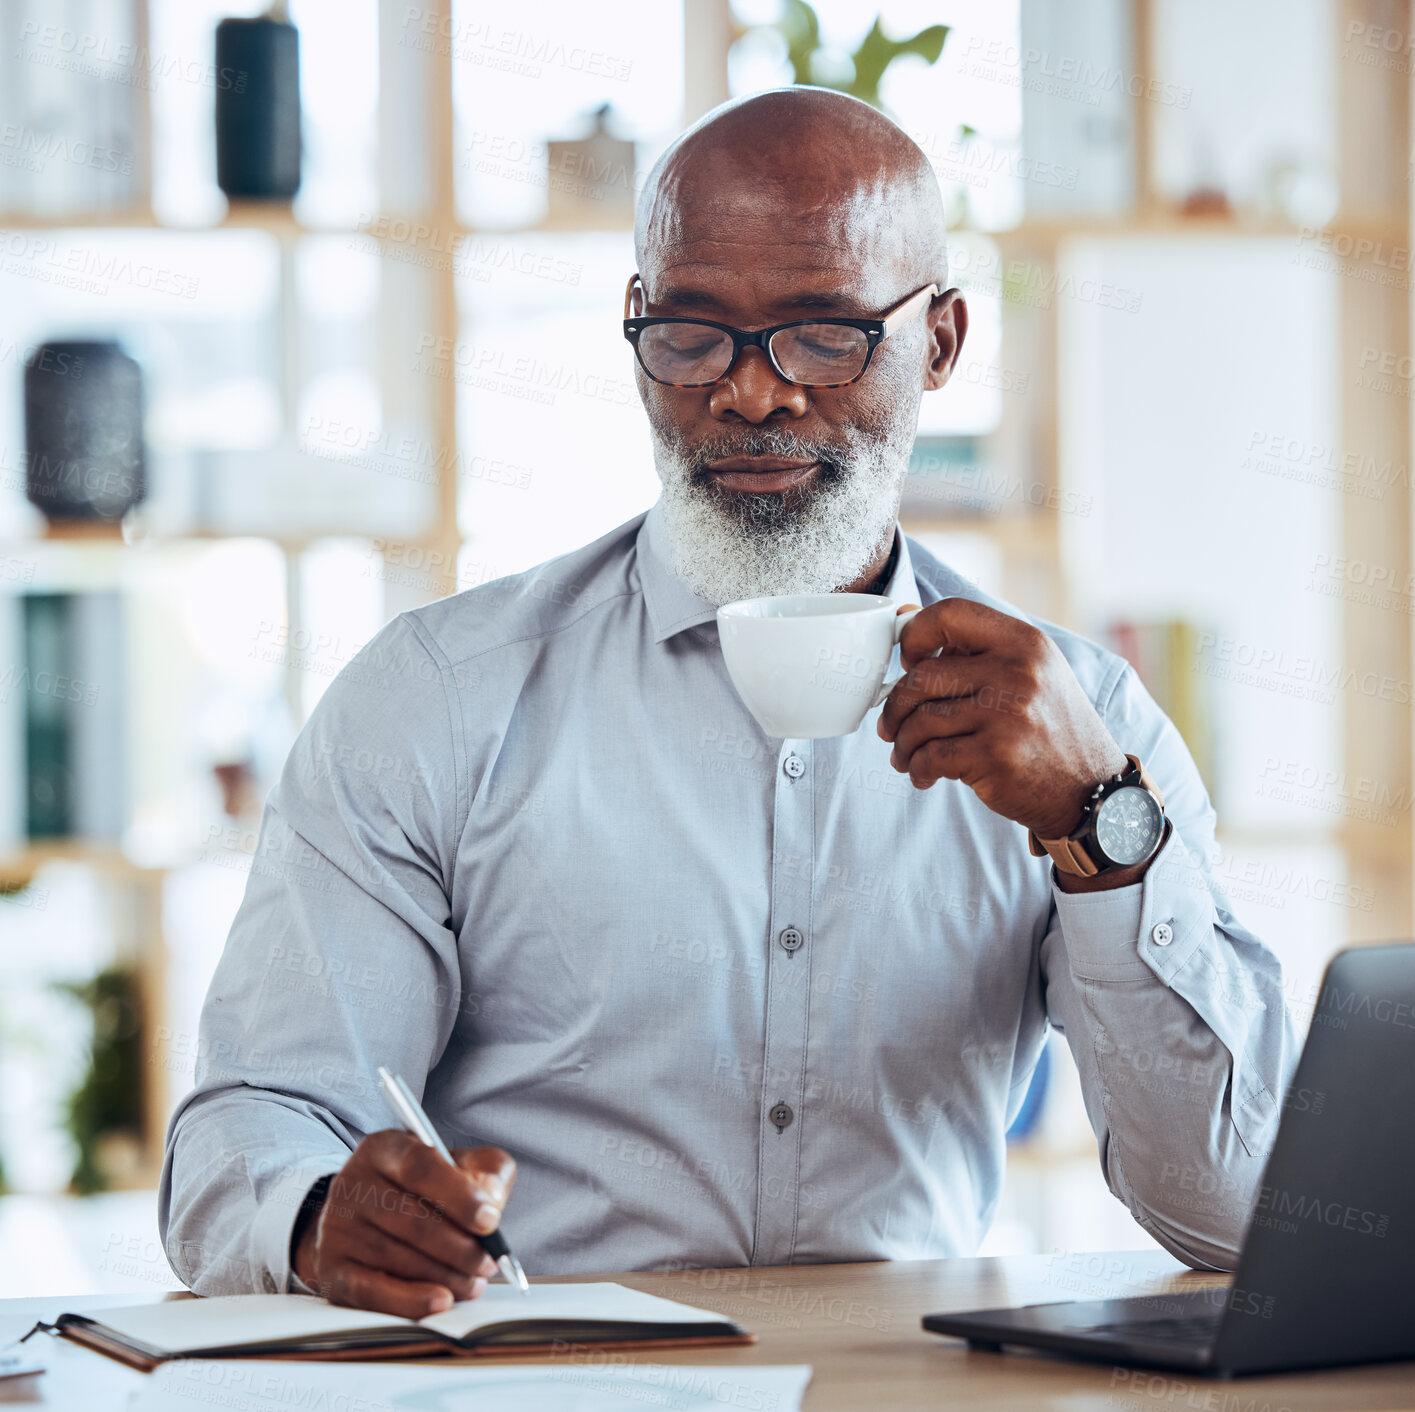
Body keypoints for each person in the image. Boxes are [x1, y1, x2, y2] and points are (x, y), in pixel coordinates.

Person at [160, 88, 1296, 1316]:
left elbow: (1230, 1214)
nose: (751, 394)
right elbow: (248, 1129)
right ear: (636, 325)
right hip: (545, 1389)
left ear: (943, 341)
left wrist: (1099, 826)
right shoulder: (437, 701)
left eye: (821, 333)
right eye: (692, 332)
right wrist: (326, 1214)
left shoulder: (1082, 725)